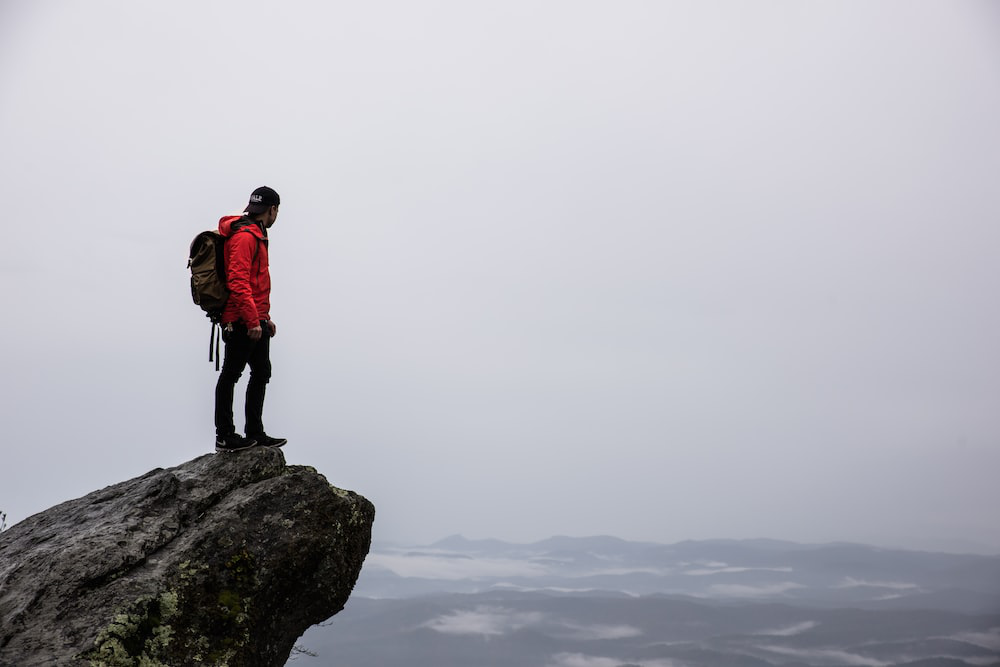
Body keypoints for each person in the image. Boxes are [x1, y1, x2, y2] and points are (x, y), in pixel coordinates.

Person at [214, 186, 288, 452]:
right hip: (240, 319)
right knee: (231, 374)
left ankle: (255, 433)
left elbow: (255, 283)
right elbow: (238, 281)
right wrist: (252, 320)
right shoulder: (245, 237)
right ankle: (225, 435)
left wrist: (264, 318)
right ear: (273, 209)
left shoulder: (257, 234)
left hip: (255, 318)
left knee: (261, 372)